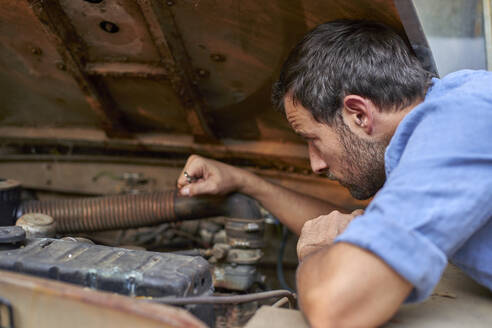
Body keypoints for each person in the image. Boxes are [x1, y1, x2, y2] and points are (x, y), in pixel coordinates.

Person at [177, 20, 492, 327]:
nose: (315, 164)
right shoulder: (443, 123)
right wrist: (245, 182)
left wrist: (318, 255)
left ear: (358, 114)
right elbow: (354, 228)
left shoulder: (461, 124)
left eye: (313, 139)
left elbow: (334, 307)